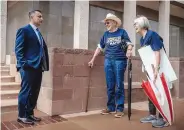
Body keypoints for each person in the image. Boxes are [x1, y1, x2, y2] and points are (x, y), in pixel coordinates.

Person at [88, 13, 134, 118]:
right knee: (110, 85)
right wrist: (92, 59)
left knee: (119, 85)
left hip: (119, 61)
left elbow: (129, 43)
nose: (106, 24)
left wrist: (129, 50)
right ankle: (110, 107)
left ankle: (120, 108)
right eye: (105, 23)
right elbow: (99, 47)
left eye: (108, 22)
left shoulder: (122, 32)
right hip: (108, 60)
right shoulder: (106, 35)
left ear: (114, 22)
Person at [133, 16, 169, 128]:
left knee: (160, 91)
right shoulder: (142, 39)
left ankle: (164, 118)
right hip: (150, 68)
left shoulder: (152, 35)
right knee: (152, 91)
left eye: (136, 24)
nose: (134, 26)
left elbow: (157, 52)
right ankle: (153, 115)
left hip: (158, 68)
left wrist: (156, 70)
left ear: (143, 24)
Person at [15, 10, 49, 125]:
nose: (42, 18)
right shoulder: (24, 30)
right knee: (26, 91)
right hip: (28, 67)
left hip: (38, 67)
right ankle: (22, 115)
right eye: (39, 16)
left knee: (35, 91)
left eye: (42, 16)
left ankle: (29, 114)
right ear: (32, 17)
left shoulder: (38, 32)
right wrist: (24, 64)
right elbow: (18, 50)